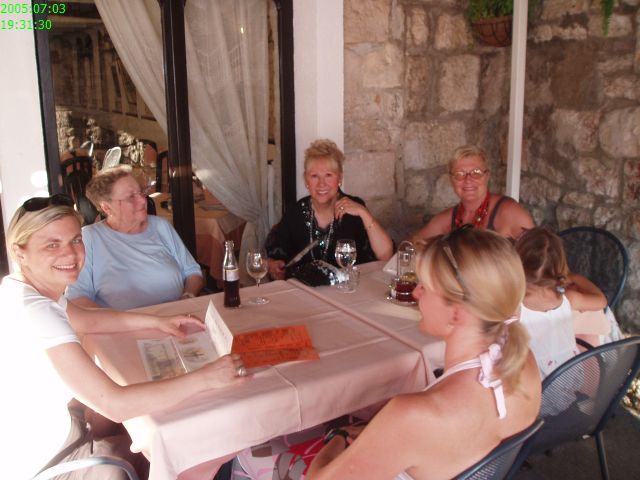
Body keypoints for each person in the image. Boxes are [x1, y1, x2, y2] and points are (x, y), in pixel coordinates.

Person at [233, 227, 541, 480]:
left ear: (457, 313)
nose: (416, 292)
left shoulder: (413, 415)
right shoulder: (525, 364)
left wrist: (336, 436)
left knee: (246, 453)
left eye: (425, 286)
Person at [1, 195, 247, 479]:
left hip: (48, 430)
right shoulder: (36, 311)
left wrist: (159, 322)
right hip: (52, 458)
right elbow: (115, 405)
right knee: (189, 445)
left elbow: (88, 319)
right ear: (20, 252)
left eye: (75, 240)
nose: (70, 254)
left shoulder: (23, 288)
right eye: (52, 245)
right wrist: (207, 377)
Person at [66, 165, 204, 309]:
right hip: (124, 322)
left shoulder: (160, 226)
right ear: (107, 207)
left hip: (177, 316)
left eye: (141, 192)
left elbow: (192, 271)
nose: (143, 201)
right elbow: (77, 298)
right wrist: (126, 321)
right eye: (131, 197)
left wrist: (188, 296)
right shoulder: (89, 238)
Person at [266, 139, 393, 280]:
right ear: (306, 180)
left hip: (349, 288)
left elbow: (385, 255)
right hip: (304, 290)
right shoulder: (295, 213)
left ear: (340, 178)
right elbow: (275, 258)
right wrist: (273, 265)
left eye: (328, 175)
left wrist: (364, 213)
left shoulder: (355, 209)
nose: (322, 184)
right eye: (314, 176)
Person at [515, 227, 608, 378]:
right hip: (571, 375)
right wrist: (574, 277)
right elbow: (601, 300)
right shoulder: (568, 298)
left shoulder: (515, 305)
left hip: (538, 381)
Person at [411, 145, 534, 242]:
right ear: (451, 180)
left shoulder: (509, 212)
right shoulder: (447, 219)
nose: (468, 180)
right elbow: (410, 246)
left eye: (476, 172)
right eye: (459, 174)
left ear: (487, 176)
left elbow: (537, 256)